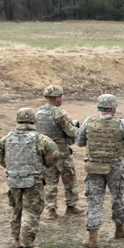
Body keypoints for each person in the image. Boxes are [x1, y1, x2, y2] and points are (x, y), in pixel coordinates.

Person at [0, 107, 59, 248]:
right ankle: (27, 245)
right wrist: (42, 166)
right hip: (33, 180)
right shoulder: (40, 139)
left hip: (13, 180)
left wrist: (14, 169)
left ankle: (16, 239)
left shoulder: (6, 139)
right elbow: (53, 156)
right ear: (33, 120)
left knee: (17, 208)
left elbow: (0, 159)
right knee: (31, 212)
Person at [76, 93, 124, 248]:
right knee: (117, 197)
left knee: (94, 200)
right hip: (115, 166)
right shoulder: (121, 124)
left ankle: (92, 237)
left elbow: (80, 141)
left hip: (94, 166)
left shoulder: (89, 122)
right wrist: (120, 156)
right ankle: (119, 229)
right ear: (113, 108)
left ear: (99, 107)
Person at [36, 85, 84, 219]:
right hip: (62, 152)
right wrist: (79, 129)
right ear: (57, 97)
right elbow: (71, 131)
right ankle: (71, 205)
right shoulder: (59, 113)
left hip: (47, 153)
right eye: (61, 96)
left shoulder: (38, 113)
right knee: (69, 178)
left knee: (50, 181)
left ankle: (51, 209)